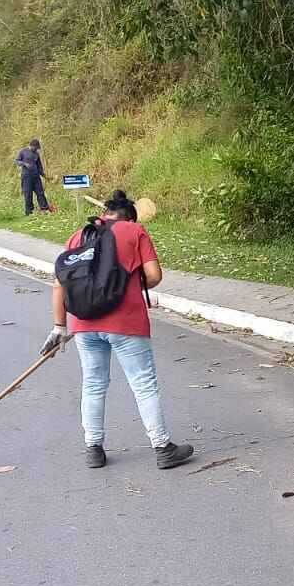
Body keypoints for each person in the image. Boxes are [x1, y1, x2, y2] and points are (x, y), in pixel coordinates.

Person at [41, 190, 194, 470]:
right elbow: (154, 275)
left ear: (105, 214)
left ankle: (93, 449)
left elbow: (59, 283)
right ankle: (162, 448)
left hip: (83, 324)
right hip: (126, 322)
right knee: (143, 385)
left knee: (94, 383)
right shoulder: (135, 231)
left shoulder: (80, 235)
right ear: (129, 217)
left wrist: (58, 327)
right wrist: (130, 281)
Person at [15, 138, 53, 216]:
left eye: (37, 148)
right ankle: (29, 212)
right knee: (28, 194)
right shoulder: (23, 151)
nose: (36, 149)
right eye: (36, 148)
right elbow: (17, 161)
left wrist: (45, 176)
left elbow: (39, 166)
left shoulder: (36, 154)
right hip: (26, 177)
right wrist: (24, 164)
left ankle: (44, 208)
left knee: (40, 192)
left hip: (36, 176)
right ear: (31, 146)